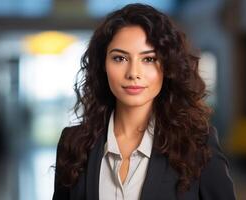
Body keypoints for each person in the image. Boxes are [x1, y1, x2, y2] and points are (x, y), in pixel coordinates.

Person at [53, 3, 236, 200]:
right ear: (103, 65)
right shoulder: (73, 143)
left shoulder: (197, 144)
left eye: (148, 59)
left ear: (167, 67)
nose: (133, 73)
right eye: (120, 58)